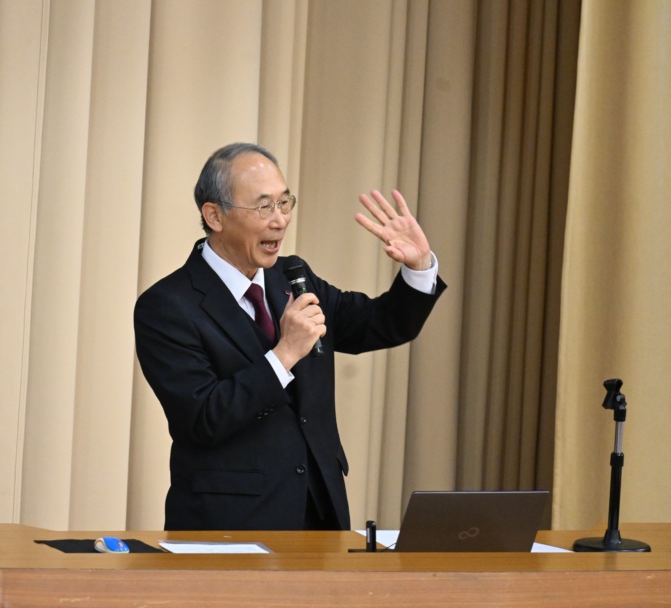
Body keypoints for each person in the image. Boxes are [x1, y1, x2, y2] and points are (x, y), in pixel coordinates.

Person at [134, 142, 446, 531]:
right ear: (214, 215)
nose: (280, 220)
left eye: (284, 203)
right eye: (264, 207)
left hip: (319, 513)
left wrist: (419, 267)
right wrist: (283, 355)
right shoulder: (168, 305)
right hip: (230, 524)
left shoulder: (294, 278)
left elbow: (381, 324)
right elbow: (203, 418)